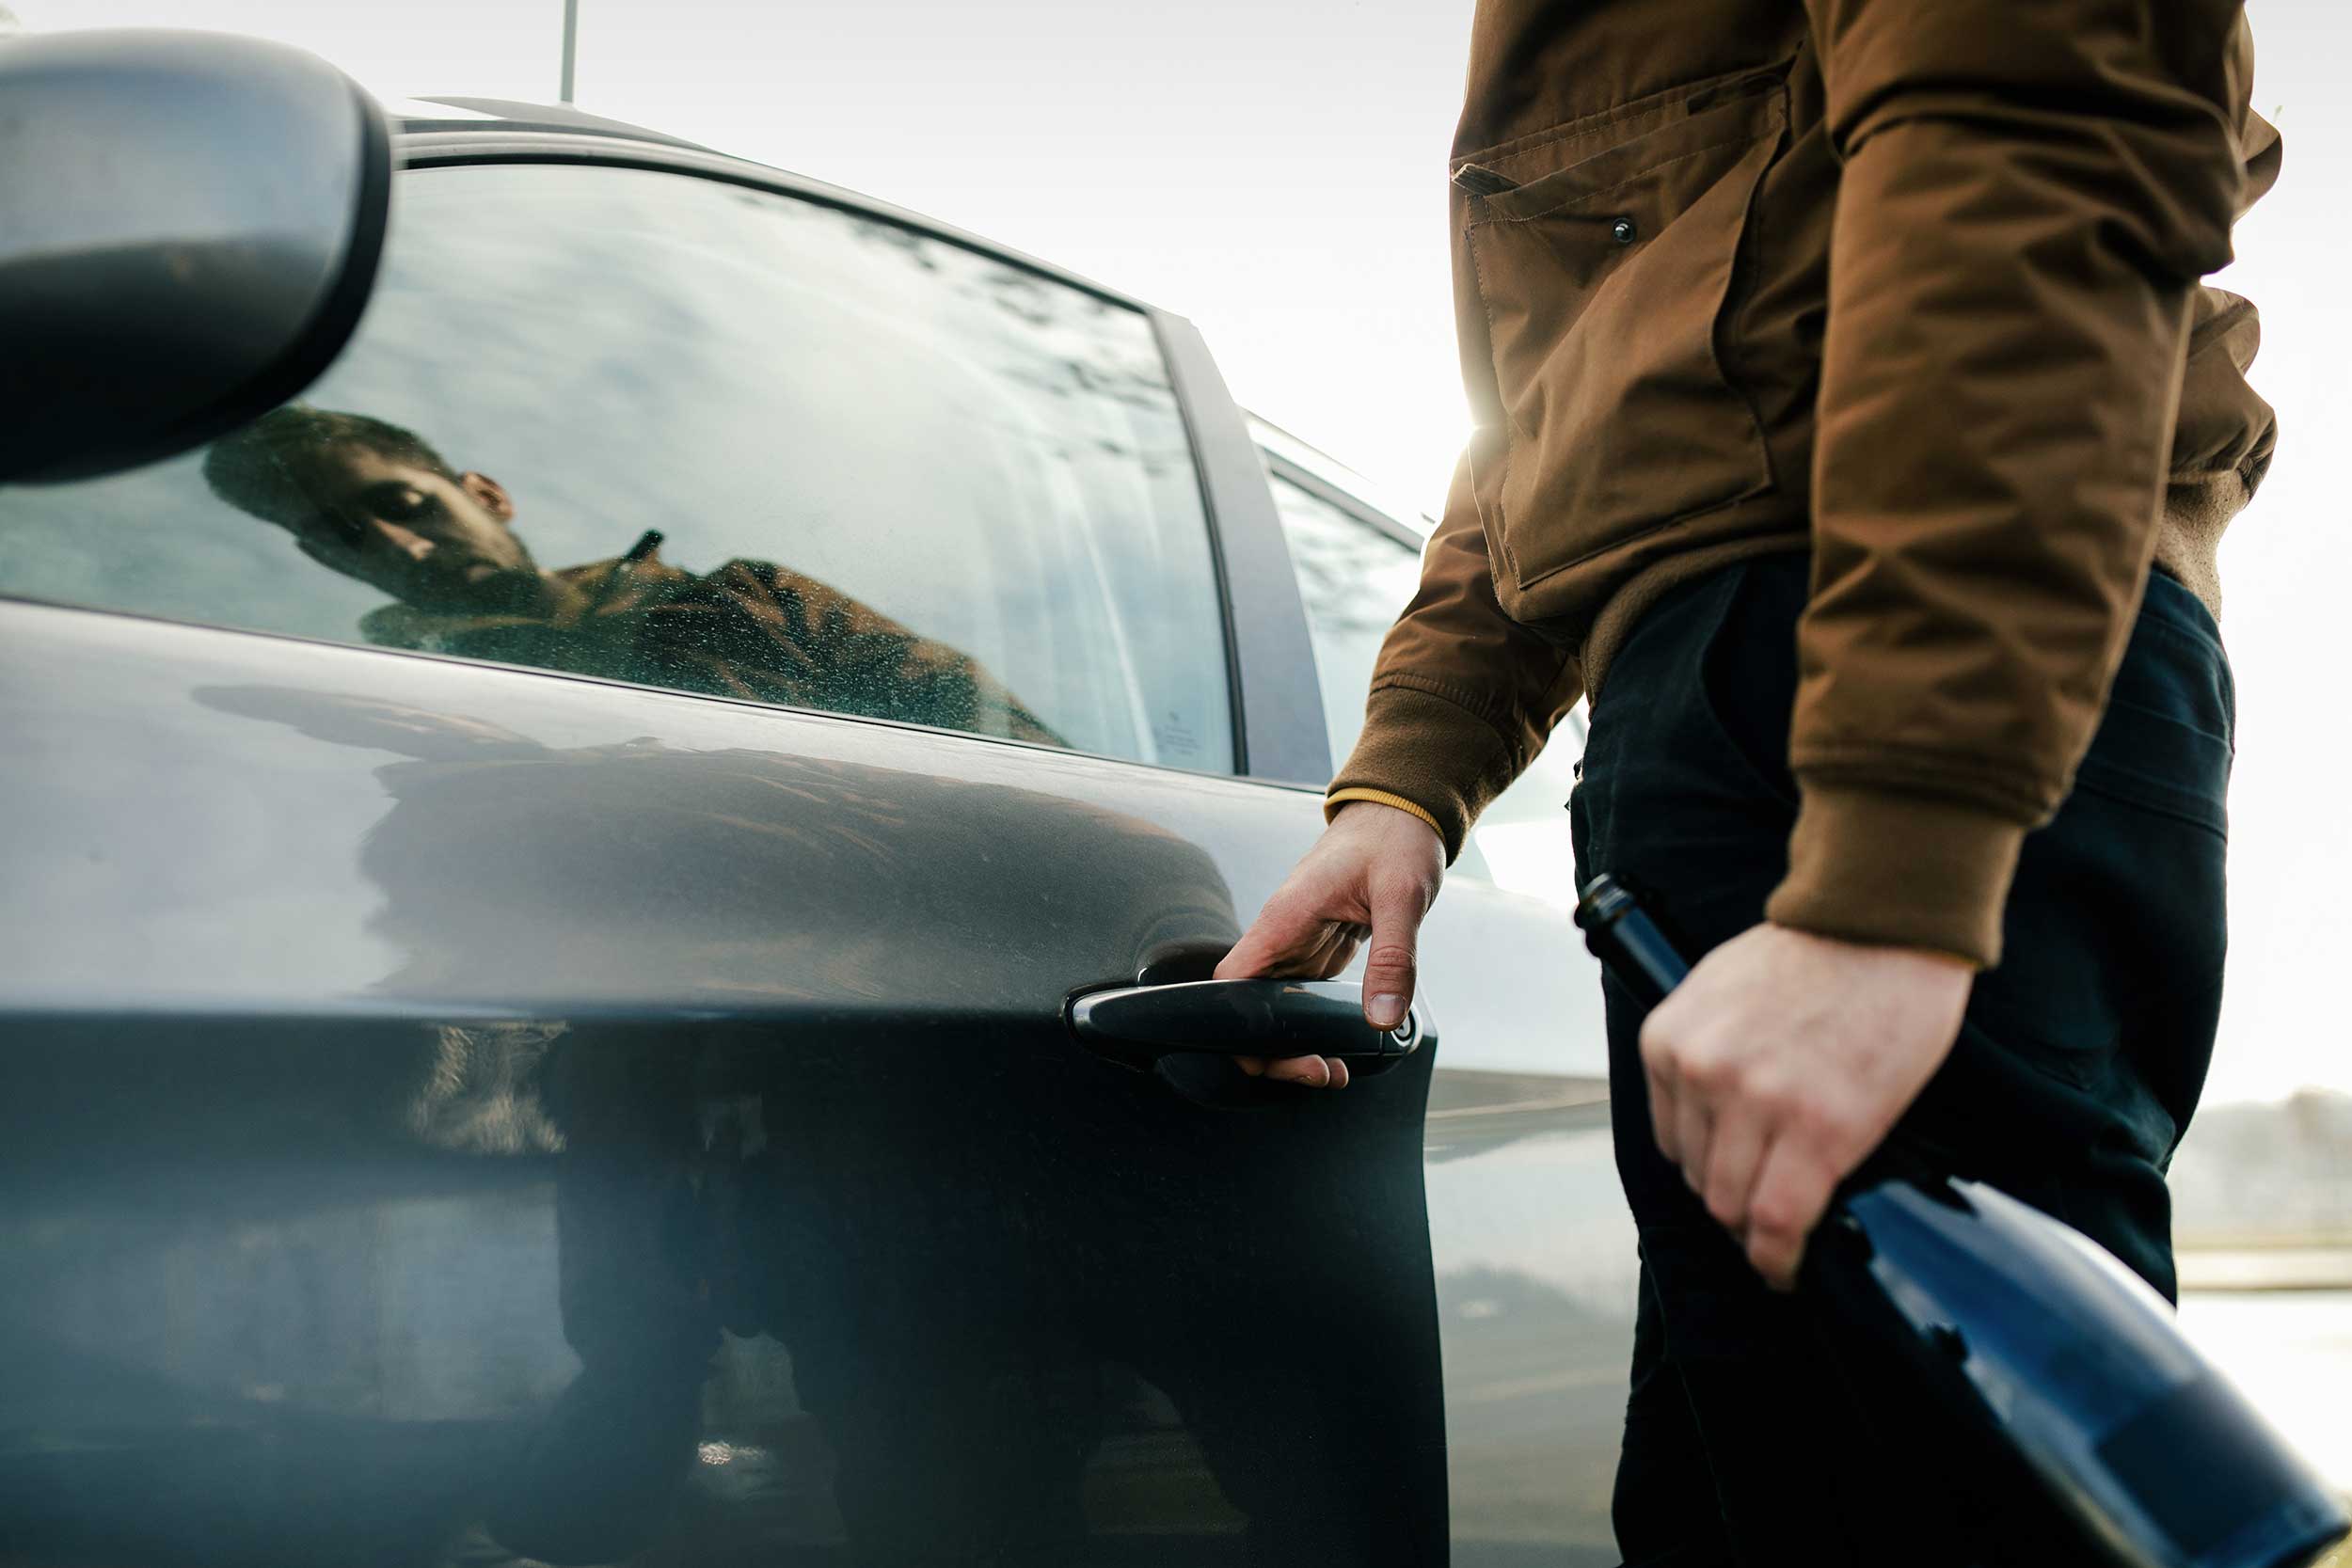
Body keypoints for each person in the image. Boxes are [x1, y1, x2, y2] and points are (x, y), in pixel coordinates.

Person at [1219, 2, 2278, 1561]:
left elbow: (2030, 131)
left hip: (1868, 661)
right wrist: (1412, 774)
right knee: (1763, 1498)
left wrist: (1889, 877)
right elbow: (1571, 385)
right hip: (1782, 696)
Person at [201, 404, 1063, 747]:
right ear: (322, 563)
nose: (407, 549)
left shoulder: (752, 596)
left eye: (408, 504)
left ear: (487, 494)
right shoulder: (384, 698)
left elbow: (1013, 757)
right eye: (348, 538)